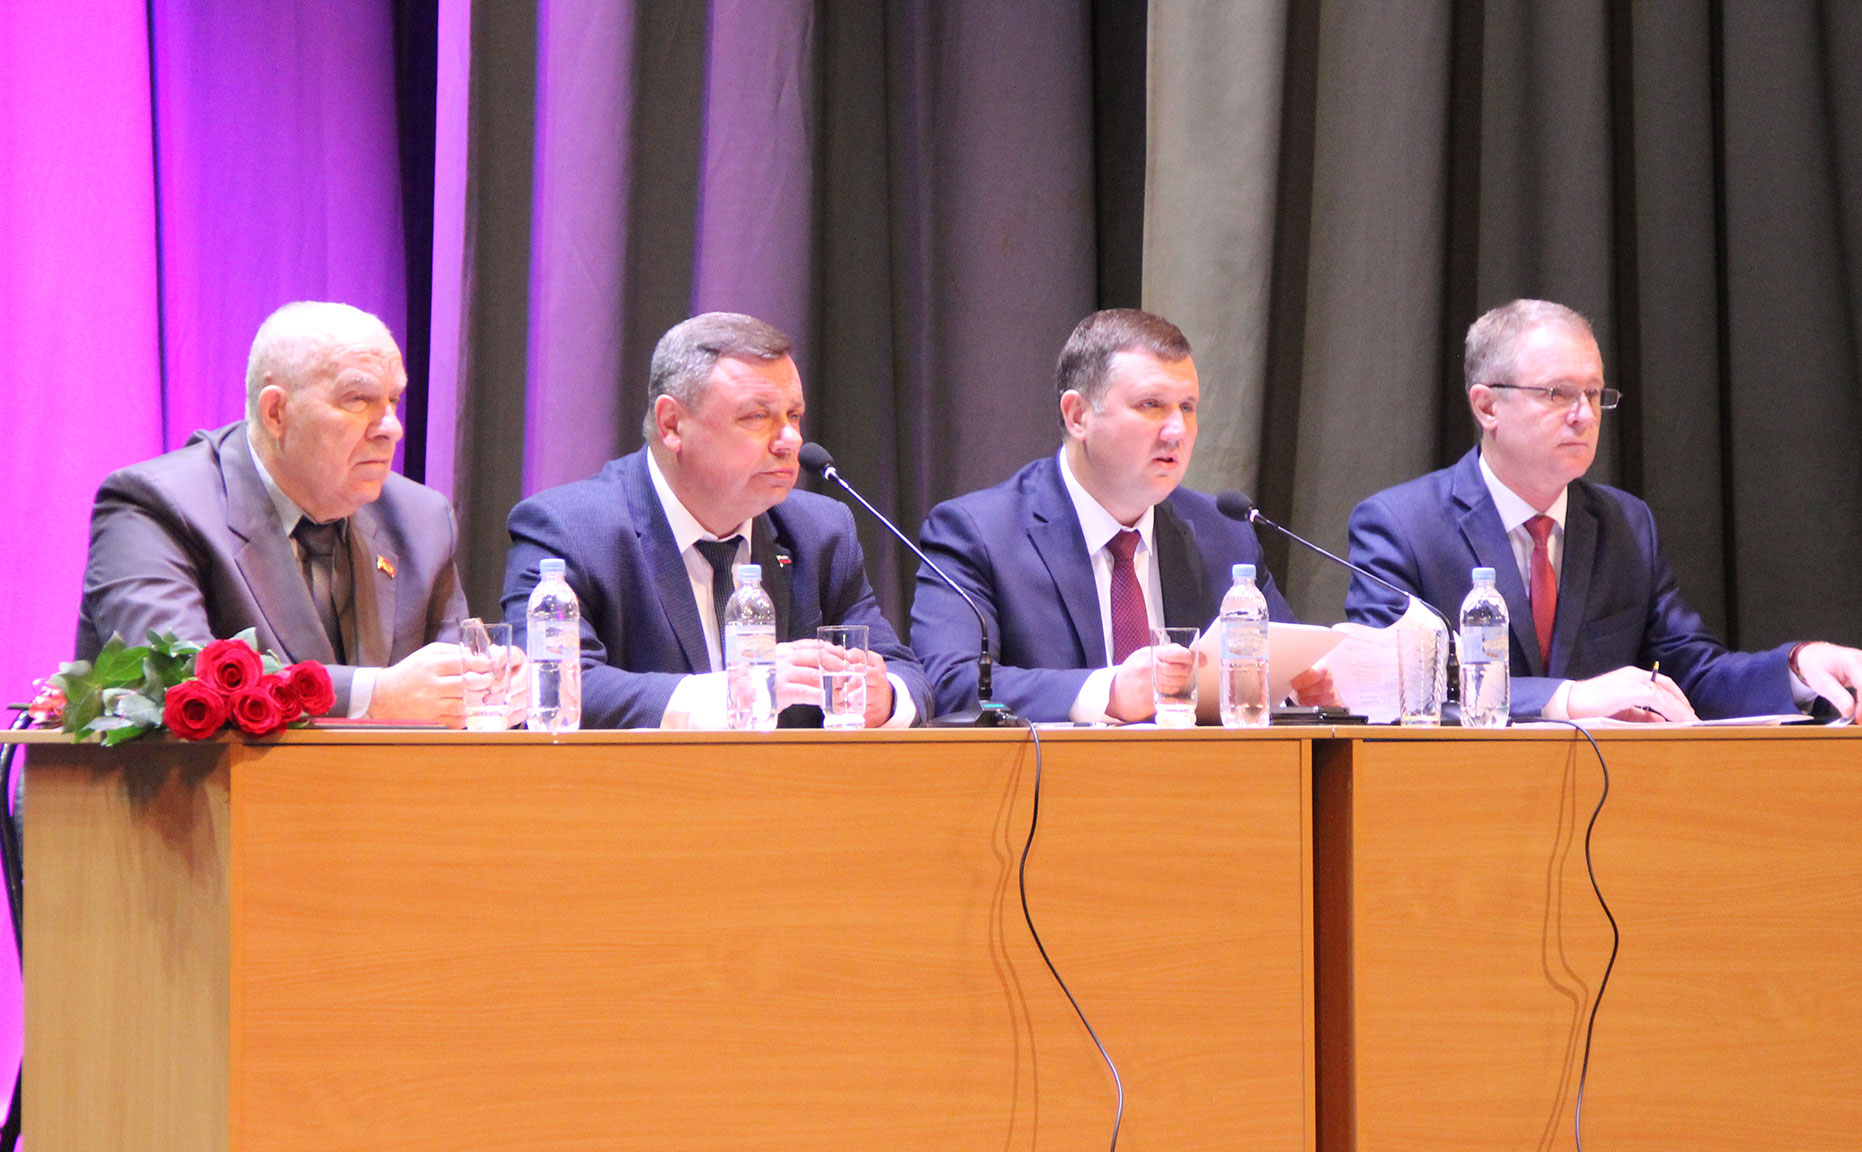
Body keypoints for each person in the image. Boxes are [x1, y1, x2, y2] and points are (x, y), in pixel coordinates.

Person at [1345, 298, 1862, 722]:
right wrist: (1567, 699)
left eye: (1593, 394)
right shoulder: (1401, 527)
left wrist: (1799, 666)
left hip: (1611, 811)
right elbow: (1389, 690)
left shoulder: (1626, 524)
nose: (1584, 416)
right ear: (1487, 406)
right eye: (1557, 393)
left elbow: (1692, 673)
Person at [77, 301, 508, 727]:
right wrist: (373, 695)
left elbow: (453, 694)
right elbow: (177, 679)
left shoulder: (421, 519)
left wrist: (488, 689)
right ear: (276, 413)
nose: (391, 427)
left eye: (393, 399)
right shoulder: (157, 506)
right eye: (358, 399)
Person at [500, 312, 931, 729]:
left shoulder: (820, 531)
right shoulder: (569, 530)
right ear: (672, 424)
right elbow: (547, 687)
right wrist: (734, 694)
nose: (791, 441)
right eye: (758, 416)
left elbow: (906, 673)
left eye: (794, 416)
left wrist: (884, 697)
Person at [910, 308, 1338, 723]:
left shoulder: (1224, 533)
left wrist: (1303, 691)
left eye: (1187, 407)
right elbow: (948, 683)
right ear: (1078, 416)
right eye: (1151, 404)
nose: (1177, 430)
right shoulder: (979, 534)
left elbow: (1285, 669)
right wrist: (1109, 693)